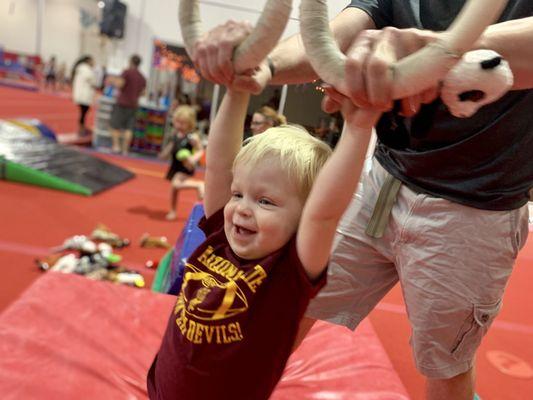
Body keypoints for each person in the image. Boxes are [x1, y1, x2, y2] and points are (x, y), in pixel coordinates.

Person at [191, 2, 533, 399]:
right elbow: (335, 34)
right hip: (386, 179)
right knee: (287, 308)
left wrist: (432, 51)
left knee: (445, 367)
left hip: (473, 207)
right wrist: (260, 64)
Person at [147, 63, 381, 397]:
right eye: (238, 194)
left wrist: (358, 129)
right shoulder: (218, 239)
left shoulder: (288, 274)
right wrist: (236, 91)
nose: (242, 207)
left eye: (266, 202)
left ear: (303, 220)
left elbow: (325, 214)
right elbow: (217, 167)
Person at [159, 105, 205, 221]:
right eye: (177, 122)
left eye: (183, 123)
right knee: (174, 190)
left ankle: (198, 184)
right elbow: (171, 147)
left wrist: (193, 158)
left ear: (190, 124)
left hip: (185, 165)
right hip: (175, 166)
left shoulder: (192, 137)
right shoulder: (175, 135)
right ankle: (173, 211)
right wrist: (164, 154)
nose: (179, 125)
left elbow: (200, 150)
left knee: (176, 184)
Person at [108, 54, 146, 155]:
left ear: (130, 62)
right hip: (134, 104)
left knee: (114, 125)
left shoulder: (126, 72)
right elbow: (143, 92)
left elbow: (120, 84)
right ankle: (125, 149)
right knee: (129, 128)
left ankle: (116, 146)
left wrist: (113, 81)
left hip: (122, 103)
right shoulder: (142, 77)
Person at [71, 55, 96, 136]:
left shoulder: (79, 69)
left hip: (79, 94)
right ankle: (81, 129)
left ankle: (82, 128)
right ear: (88, 61)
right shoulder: (87, 70)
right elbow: (93, 82)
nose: (94, 63)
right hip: (85, 95)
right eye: (92, 61)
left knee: (83, 113)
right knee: (83, 113)